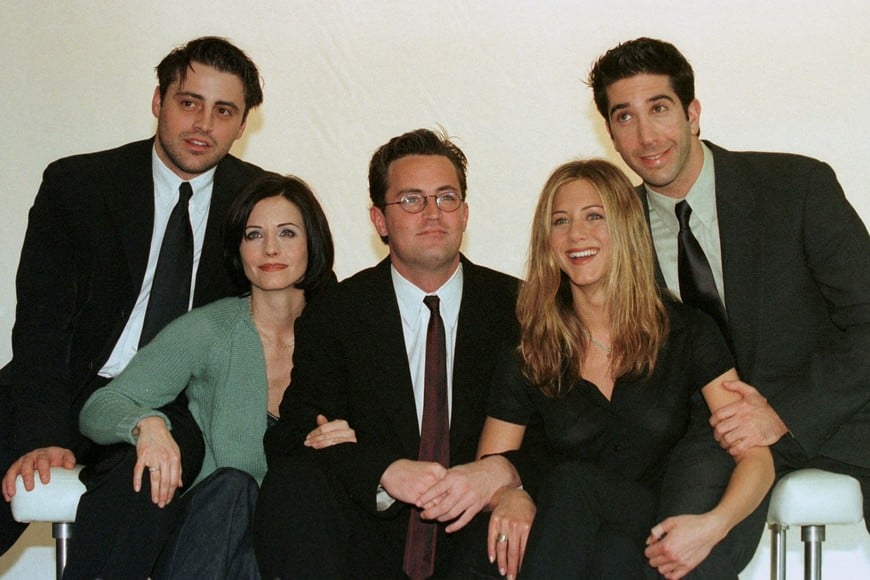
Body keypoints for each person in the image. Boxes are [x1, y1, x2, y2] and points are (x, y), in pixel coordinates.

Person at [586, 37, 870, 576]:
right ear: (611, 134)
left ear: (693, 114)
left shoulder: (797, 186)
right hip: (714, 440)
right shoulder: (612, 230)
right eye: (625, 117)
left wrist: (781, 412)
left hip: (838, 418)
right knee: (675, 553)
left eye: (660, 109)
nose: (646, 136)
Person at [1, 36, 265, 557]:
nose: (202, 125)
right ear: (157, 101)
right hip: (67, 385)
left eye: (223, 111)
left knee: (147, 482)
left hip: (177, 405)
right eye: (189, 103)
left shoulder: (261, 205)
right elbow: (40, 324)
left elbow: (304, 314)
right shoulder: (77, 185)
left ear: (242, 124)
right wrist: (42, 434)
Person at [478, 159, 774, 579]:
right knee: (594, 539)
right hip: (582, 543)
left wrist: (713, 526)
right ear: (548, 240)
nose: (576, 234)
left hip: (656, 530)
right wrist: (510, 495)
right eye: (560, 221)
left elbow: (757, 459)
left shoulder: (686, 331)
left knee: (573, 485)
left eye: (594, 216)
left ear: (626, 227)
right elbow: (491, 462)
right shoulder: (532, 348)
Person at [254, 128, 521, 579]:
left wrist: (503, 473)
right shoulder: (337, 312)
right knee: (291, 484)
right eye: (412, 200)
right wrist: (384, 469)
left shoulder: (519, 308)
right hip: (370, 535)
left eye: (446, 198)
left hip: (482, 535)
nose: (433, 213)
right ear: (379, 220)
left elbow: (562, 432)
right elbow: (293, 433)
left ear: (466, 213)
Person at [74, 173, 339, 578]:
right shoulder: (208, 330)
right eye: (254, 235)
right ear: (238, 247)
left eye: (287, 232)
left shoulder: (341, 337)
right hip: (204, 546)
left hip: (291, 546)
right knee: (235, 487)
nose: (270, 248)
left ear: (312, 242)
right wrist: (147, 425)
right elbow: (101, 406)